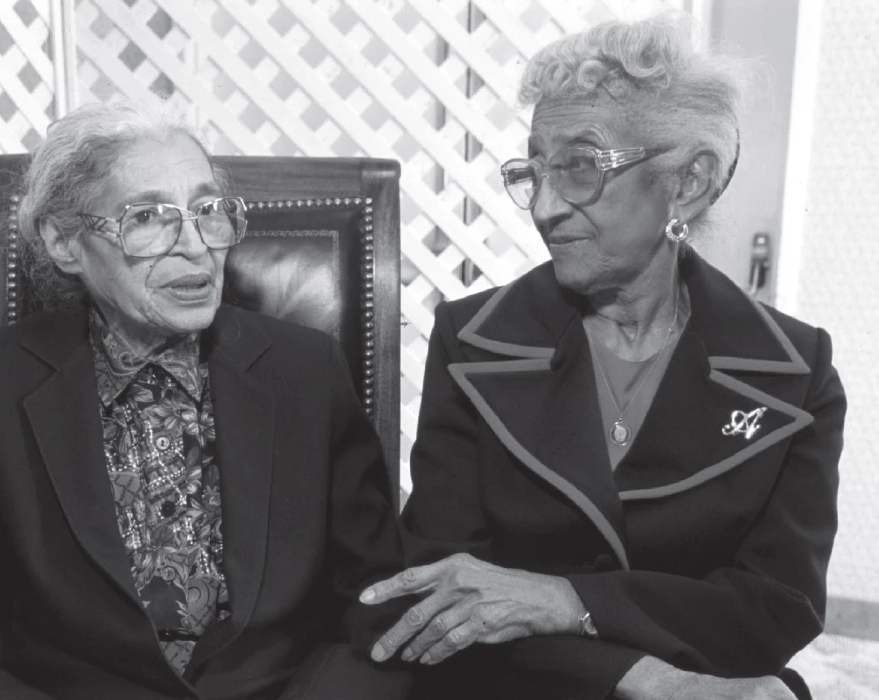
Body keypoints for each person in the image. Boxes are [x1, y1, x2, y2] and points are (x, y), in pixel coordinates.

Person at [361, 15, 845, 700]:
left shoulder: (795, 371)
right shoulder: (471, 341)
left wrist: (567, 600)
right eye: (535, 171)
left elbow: (777, 607)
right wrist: (644, 677)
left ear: (688, 183)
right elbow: (447, 600)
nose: (544, 208)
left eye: (580, 167)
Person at [0, 102, 409, 700]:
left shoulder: (306, 371)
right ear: (65, 242)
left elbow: (379, 607)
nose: (196, 246)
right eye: (148, 217)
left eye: (208, 211)